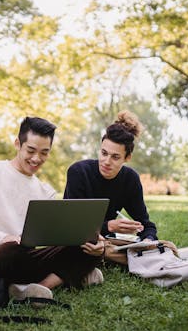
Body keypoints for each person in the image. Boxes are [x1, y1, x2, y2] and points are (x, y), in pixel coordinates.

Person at [0, 116, 105, 301]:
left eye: (44, 153)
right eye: (31, 150)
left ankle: (36, 288)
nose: (36, 158)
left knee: (91, 248)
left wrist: (89, 240)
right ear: (18, 144)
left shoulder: (46, 191)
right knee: (10, 251)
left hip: (26, 257)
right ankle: (72, 276)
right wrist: (2, 238)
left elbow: (54, 237)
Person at [63, 111, 158, 262]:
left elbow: (146, 225)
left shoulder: (130, 179)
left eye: (115, 157)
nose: (107, 161)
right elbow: (73, 226)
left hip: (106, 242)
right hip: (78, 240)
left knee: (165, 246)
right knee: (89, 247)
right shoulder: (79, 172)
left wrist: (148, 240)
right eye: (104, 153)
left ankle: (141, 254)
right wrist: (110, 226)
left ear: (127, 158)